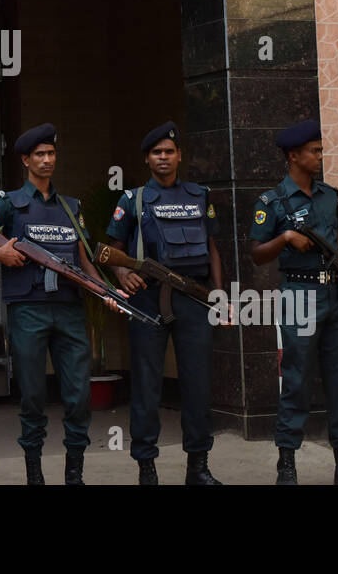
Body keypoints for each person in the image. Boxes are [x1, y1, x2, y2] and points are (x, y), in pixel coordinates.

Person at [0, 123, 103, 485]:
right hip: (28, 308)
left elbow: (84, 258)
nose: (46, 160)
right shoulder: (9, 204)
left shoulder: (71, 208)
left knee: (78, 396)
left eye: (51, 154)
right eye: (39, 155)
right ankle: (35, 474)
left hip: (69, 308)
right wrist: (0, 253)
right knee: (32, 395)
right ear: (26, 160)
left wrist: (108, 291)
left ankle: (74, 474)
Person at [249, 119, 338, 486]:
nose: (320, 156)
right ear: (293, 156)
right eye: (314, 151)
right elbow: (257, 253)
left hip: (336, 296)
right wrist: (286, 237)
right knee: (297, 379)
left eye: (320, 150)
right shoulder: (271, 202)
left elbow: (337, 242)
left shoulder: (330, 195)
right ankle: (287, 465)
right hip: (299, 295)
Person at [103, 121, 222, 486]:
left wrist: (219, 295)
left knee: (198, 384)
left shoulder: (200, 195)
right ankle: (147, 468)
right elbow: (111, 251)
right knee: (147, 385)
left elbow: (214, 249)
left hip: (193, 298)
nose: (164, 158)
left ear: (179, 156)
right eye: (157, 153)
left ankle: (198, 467)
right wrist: (124, 277)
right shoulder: (132, 199)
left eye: (169, 151)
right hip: (148, 300)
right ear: (147, 159)